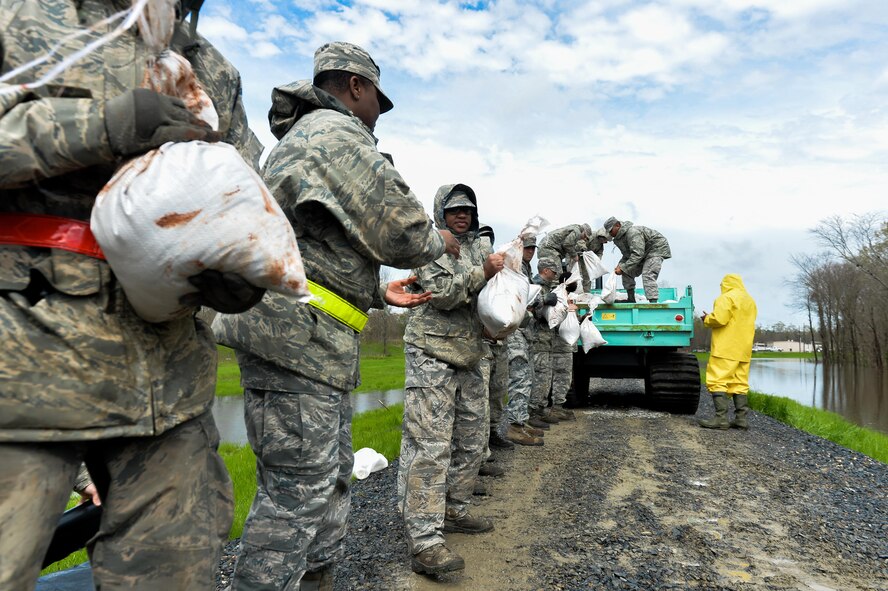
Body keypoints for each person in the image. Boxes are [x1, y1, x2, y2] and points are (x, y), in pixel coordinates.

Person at [0, 1, 264, 589]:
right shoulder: (23, 17)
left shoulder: (210, 66)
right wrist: (103, 127)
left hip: (169, 387)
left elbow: (246, 188)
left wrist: (241, 274)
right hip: (23, 372)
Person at [212, 42, 454, 590]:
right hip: (296, 343)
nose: (377, 114)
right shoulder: (334, 134)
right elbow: (404, 230)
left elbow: (320, 248)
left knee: (326, 482)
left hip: (312, 342)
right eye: (376, 99)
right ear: (354, 86)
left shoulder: (306, 139)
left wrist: (374, 292)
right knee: (296, 497)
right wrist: (442, 239)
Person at [397, 184, 504, 575]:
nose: (463, 215)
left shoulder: (478, 247)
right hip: (432, 354)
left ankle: (455, 511)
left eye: (469, 209)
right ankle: (424, 538)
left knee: (473, 441)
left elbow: (487, 296)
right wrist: (484, 272)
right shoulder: (429, 243)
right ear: (441, 211)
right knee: (430, 445)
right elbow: (442, 294)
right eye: (456, 209)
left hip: (471, 353)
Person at [698, 274, 758, 430]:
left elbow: (720, 319)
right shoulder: (750, 301)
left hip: (726, 347)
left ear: (725, 284)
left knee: (718, 379)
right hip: (744, 349)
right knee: (740, 383)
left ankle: (721, 419)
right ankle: (741, 419)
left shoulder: (725, 298)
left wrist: (707, 319)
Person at [503, 236, 545, 446]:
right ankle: (515, 426)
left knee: (526, 375)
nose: (531, 251)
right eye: (527, 248)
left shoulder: (526, 268)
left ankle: (521, 421)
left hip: (523, 328)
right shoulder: (515, 267)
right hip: (515, 328)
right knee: (519, 376)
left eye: (532, 248)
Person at [527, 259, 563, 427]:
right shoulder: (534, 287)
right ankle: (532, 412)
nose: (555, 275)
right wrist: (545, 302)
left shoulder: (547, 288)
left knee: (546, 377)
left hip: (546, 340)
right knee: (539, 377)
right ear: (546, 271)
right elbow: (532, 311)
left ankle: (540, 408)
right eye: (554, 272)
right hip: (537, 340)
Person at [604, 216, 671, 303]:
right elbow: (627, 255)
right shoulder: (620, 239)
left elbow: (637, 254)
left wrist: (623, 267)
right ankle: (631, 299)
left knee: (648, 273)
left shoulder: (632, 232)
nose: (610, 234)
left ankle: (653, 302)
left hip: (655, 249)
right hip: (642, 253)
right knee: (626, 271)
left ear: (618, 225)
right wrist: (620, 265)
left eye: (611, 230)